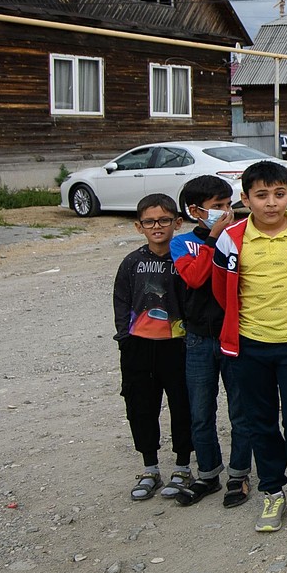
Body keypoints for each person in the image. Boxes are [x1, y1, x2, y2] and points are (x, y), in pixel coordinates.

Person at [212, 161, 287, 532]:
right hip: (250, 346)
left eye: (279, 194)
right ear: (245, 199)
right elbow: (220, 288)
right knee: (261, 422)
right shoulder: (232, 238)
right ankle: (273, 492)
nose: (271, 203)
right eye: (261, 195)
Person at [169, 175, 253, 508]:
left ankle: (239, 474)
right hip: (198, 340)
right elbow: (194, 277)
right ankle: (207, 473)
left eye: (228, 205)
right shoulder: (183, 243)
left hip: (233, 333)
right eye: (217, 207)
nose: (225, 212)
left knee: (240, 409)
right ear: (195, 210)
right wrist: (213, 239)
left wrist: (225, 236)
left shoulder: (239, 237)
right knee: (201, 411)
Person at [113, 193, 192, 501]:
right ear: (139, 226)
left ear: (177, 222)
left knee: (182, 405)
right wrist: (125, 336)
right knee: (141, 407)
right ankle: (150, 467)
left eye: (164, 220)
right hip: (139, 347)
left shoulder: (183, 258)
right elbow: (121, 300)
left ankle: (183, 465)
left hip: (178, 346)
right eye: (149, 221)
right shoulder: (132, 262)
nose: (157, 226)